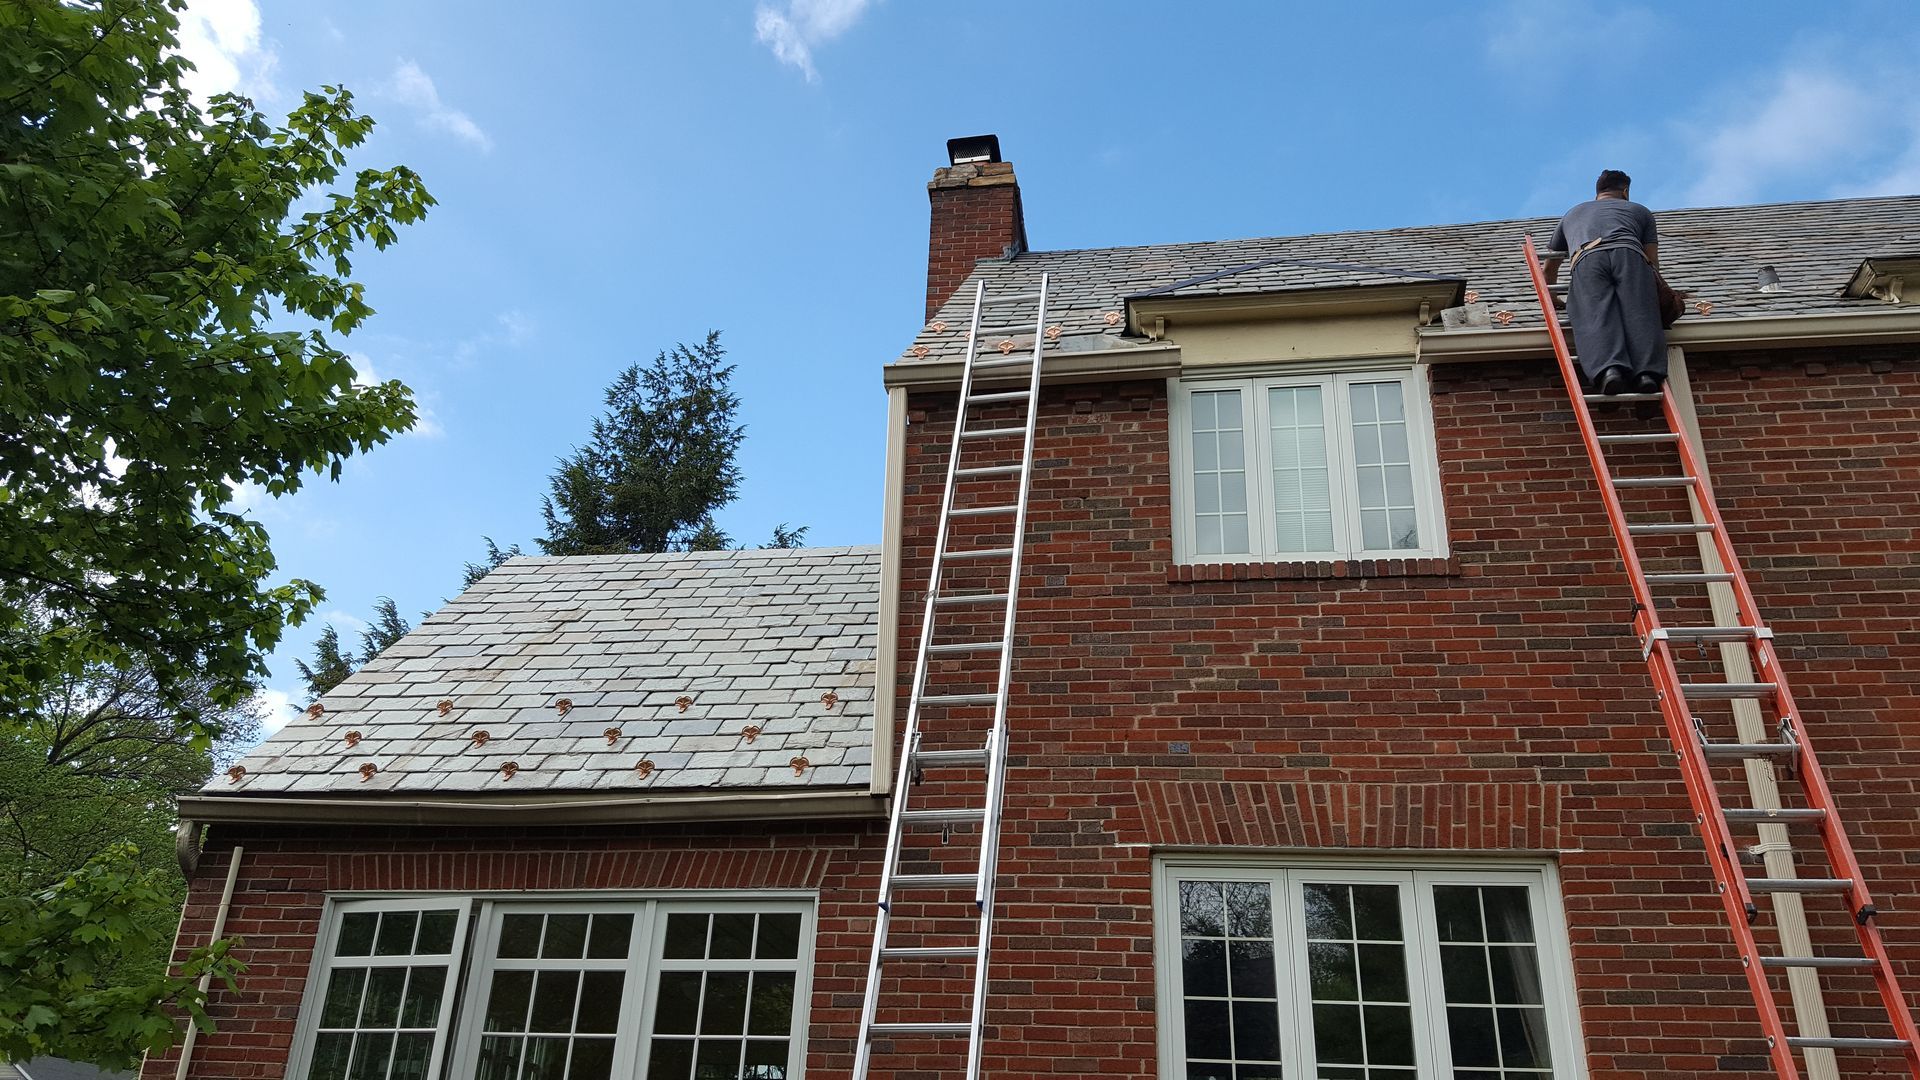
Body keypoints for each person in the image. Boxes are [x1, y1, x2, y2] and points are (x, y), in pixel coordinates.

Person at [1543, 170, 1664, 395]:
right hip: (1631, 255)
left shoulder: (1573, 213)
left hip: (1587, 257)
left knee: (1594, 314)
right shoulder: (1640, 211)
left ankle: (1610, 372)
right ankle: (1647, 375)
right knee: (1641, 313)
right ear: (1625, 191)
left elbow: (1550, 268)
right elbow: (1652, 262)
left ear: (1598, 192)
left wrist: (1552, 297)